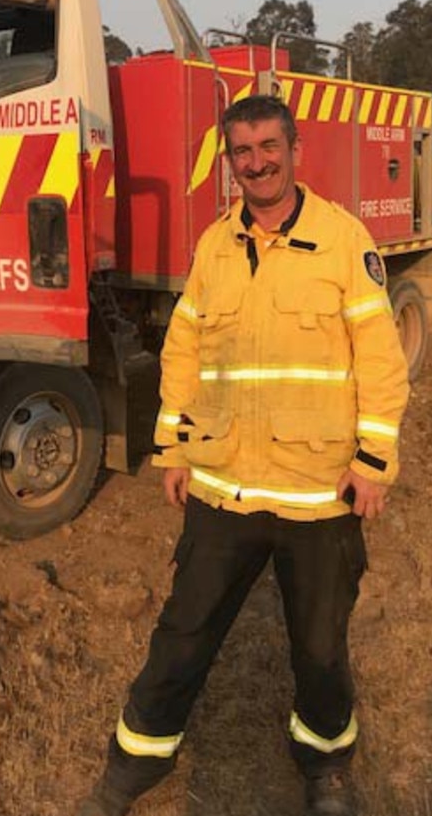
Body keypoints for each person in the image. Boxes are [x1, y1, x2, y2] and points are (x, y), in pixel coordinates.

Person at [77, 94, 409, 816]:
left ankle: (325, 769)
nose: (256, 162)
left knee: (320, 650)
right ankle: (129, 770)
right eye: (242, 152)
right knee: (182, 633)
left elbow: (381, 361)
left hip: (318, 492)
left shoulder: (344, 241)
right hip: (222, 487)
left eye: (268, 146)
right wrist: (172, 447)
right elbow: (185, 349)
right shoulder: (214, 246)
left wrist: (373, 461)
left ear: (295, 150)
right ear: (229, 163)